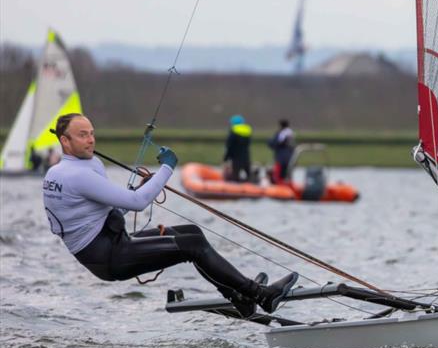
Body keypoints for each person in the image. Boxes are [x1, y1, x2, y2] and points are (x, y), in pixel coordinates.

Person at [42, 113, 297, 318]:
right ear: (65, 141)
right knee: (192, 246)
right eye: (82, 135)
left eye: (92, 134)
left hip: (113, 243)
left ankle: (239, 297)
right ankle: (261, 295)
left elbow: (110, 209)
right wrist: (167, 168)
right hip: (108, 257)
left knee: (191, 232)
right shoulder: (77, 175)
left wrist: (142, 188)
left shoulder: (72, 169)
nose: (90, 140)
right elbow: (138, 203)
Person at [223, 115, 252, 183]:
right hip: (246, 156)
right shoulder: (247, 130)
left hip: (236, 157)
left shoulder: (233, 131)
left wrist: (226, 157)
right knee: (248, 174)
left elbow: (229, 146)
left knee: (235, 175)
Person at [267, 119, 295, 184]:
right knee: (287, 175)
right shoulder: (291, 133)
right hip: (290, 158)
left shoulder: (280, 133)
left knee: (278, 176)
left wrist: (268, 141)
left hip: (281, 159)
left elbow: (274, 143)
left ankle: (279, 187)